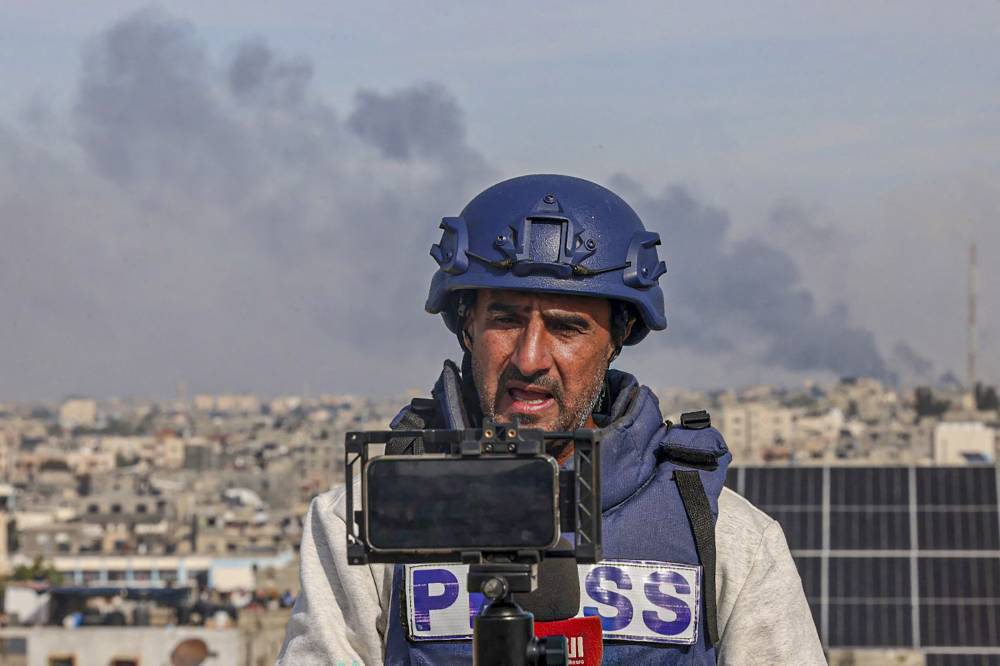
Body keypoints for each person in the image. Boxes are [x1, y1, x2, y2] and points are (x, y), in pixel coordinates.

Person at [277, 175, 825, 665]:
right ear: (465, 325)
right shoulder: (368, 518)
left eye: (566, 327)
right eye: (506, 320)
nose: (530, 358)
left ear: (618, 338)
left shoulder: (723, 534)